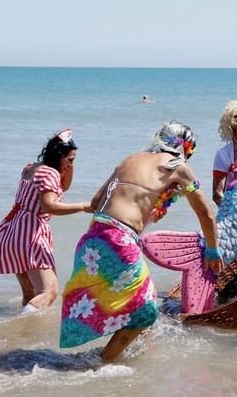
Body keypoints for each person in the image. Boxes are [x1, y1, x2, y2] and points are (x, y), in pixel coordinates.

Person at [59, 121, 224, 362]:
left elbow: (96, 203)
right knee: (146, 311)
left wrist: (146, 204)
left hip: (92, 239)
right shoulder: (177, 166)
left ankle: (136, 360)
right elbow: (206, 214)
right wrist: (212, 249)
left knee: (133, 301)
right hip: (119, 241)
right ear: (185, 149)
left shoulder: (130, 159)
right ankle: (101, 365)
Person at [0, 129, 92, 315]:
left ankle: (25, 332)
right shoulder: (50, 175)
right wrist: (84, 206)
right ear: (59, 156)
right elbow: (48, 207)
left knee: (30, 293)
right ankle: (17, 327)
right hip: (31, 234)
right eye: (69, 159)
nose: (71, 164)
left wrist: (69, 164)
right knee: (50, 292)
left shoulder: (31, 167)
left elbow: (65, 186)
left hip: (12, 231)